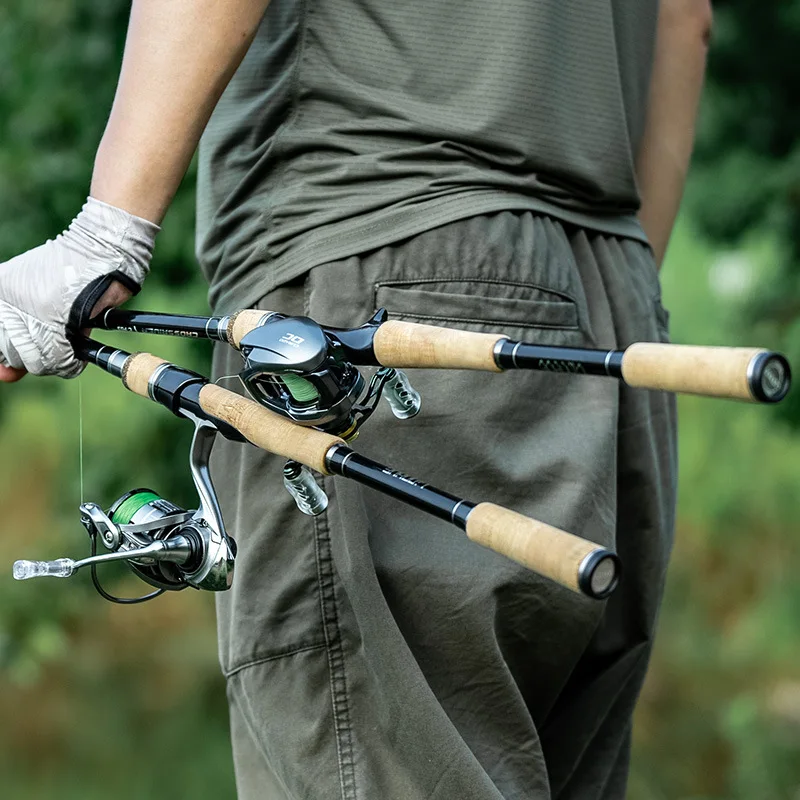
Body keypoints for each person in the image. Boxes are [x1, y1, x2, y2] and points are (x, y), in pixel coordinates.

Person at [0, 0, 713, 797]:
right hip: (614, 314)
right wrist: (593, 291)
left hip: (364, 244)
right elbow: (687, 20)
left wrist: (105, 235)